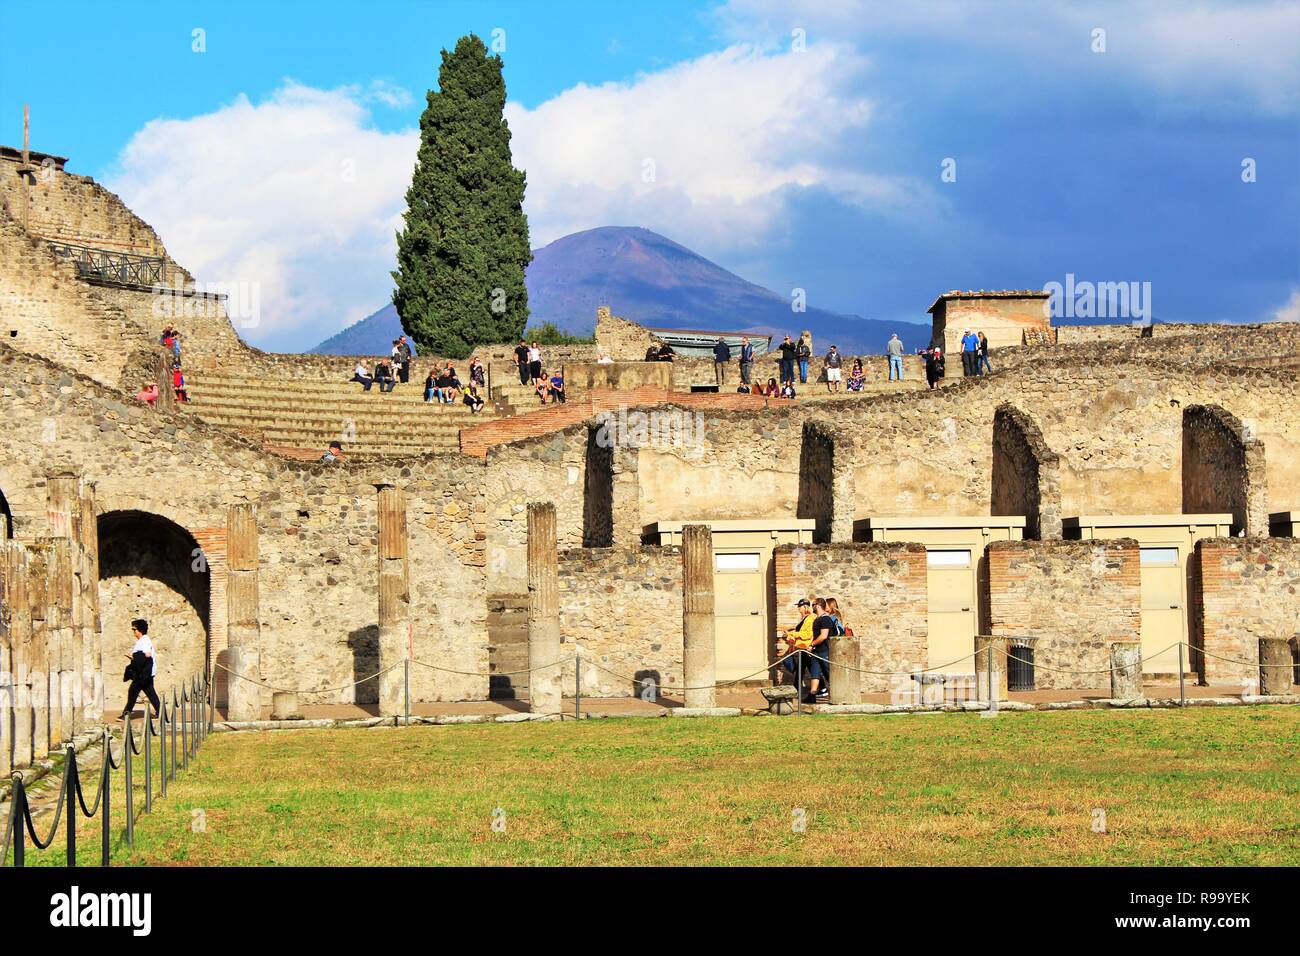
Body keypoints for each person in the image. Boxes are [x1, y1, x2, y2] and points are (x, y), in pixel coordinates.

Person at [119, 618, 160, 720]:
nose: (133, 632)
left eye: (134, 630)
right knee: (150, 692)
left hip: (143, 673)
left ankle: (126, 714)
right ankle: (161, 712)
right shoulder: (142, 640)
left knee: (133, 691)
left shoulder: (145, 640)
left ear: (140, 630)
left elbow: (147, 654)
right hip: (144, 673)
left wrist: (133, 656)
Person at [806, 598, 837, 701]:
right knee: (815, 673)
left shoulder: (825, 619)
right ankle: (812, 695)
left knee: (829, 674)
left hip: (825, 650)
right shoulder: (817, 619)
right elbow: (816, 635)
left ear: (818, 606)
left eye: (813, 605)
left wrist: (811, 644)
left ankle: (836, 695)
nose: (812, 607)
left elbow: (824, 636)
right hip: (816, 651)